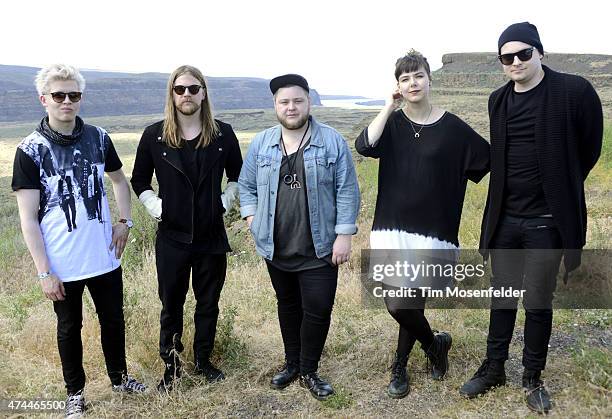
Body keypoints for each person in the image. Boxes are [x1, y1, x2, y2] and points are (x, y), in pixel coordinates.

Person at [460, 22, 603, 413]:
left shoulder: (573, 91)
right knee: (501, 295)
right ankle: (494, 369)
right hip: (505, 218)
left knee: (538, 299)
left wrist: (564, 181)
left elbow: (590, 146)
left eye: (524, 53)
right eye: (507, 57)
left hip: (546, 220)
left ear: (540, 52)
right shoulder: (497, 100)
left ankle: (532, 376)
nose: (516, 62)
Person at [11, 64, 145, 419]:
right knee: (70, 328)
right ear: (44, 100)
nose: (67, 101)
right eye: (59, 95)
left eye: (73, 95)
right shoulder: (30, 149)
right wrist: (44, 272)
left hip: (104, 255)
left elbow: (119, 181)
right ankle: (75, 394)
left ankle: (120, 379)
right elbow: (28, 218)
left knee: (113, 320)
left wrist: (124, 222)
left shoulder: (99, 137)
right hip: (62, 263)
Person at [355, 51, 490, 398]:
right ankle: (434, 344)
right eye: (404, 78)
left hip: (433, 231)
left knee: (409, 302)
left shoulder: (454, 128)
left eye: (417, 76)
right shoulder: (394, 124)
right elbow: (365, 145)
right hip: (391, 226)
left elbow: (488, 160)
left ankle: (399, 365)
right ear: (398, 85)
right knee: (397, 302)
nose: (412, 83)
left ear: (430, 79)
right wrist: (388, 106)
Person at [238, 74, 360, 400]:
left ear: (308, 102)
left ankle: (309, 370)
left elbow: (347, 190)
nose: (291, 107)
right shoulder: (262, 143)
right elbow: (246, 186)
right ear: (275, 105)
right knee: (288, 306)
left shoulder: (331, 141)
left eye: (297, 100)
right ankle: (292, 363)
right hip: (276, 246)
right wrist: (252, 217)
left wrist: (344, 235)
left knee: (318, 309)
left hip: (319, 247)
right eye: (284, 102)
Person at [131, 65, 243, 393]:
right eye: (180, 89)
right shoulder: (155, 135)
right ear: (172, 94)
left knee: (208, 303)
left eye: (193, 89)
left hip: (211, 236)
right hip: (172, 238)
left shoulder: (223, 134)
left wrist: (225, 202)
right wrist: (157, 207)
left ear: (204, 93)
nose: (187, 95)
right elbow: (139, 179)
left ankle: (204, 362)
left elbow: (238, 175)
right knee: (172, 304)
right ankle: (173, 367)